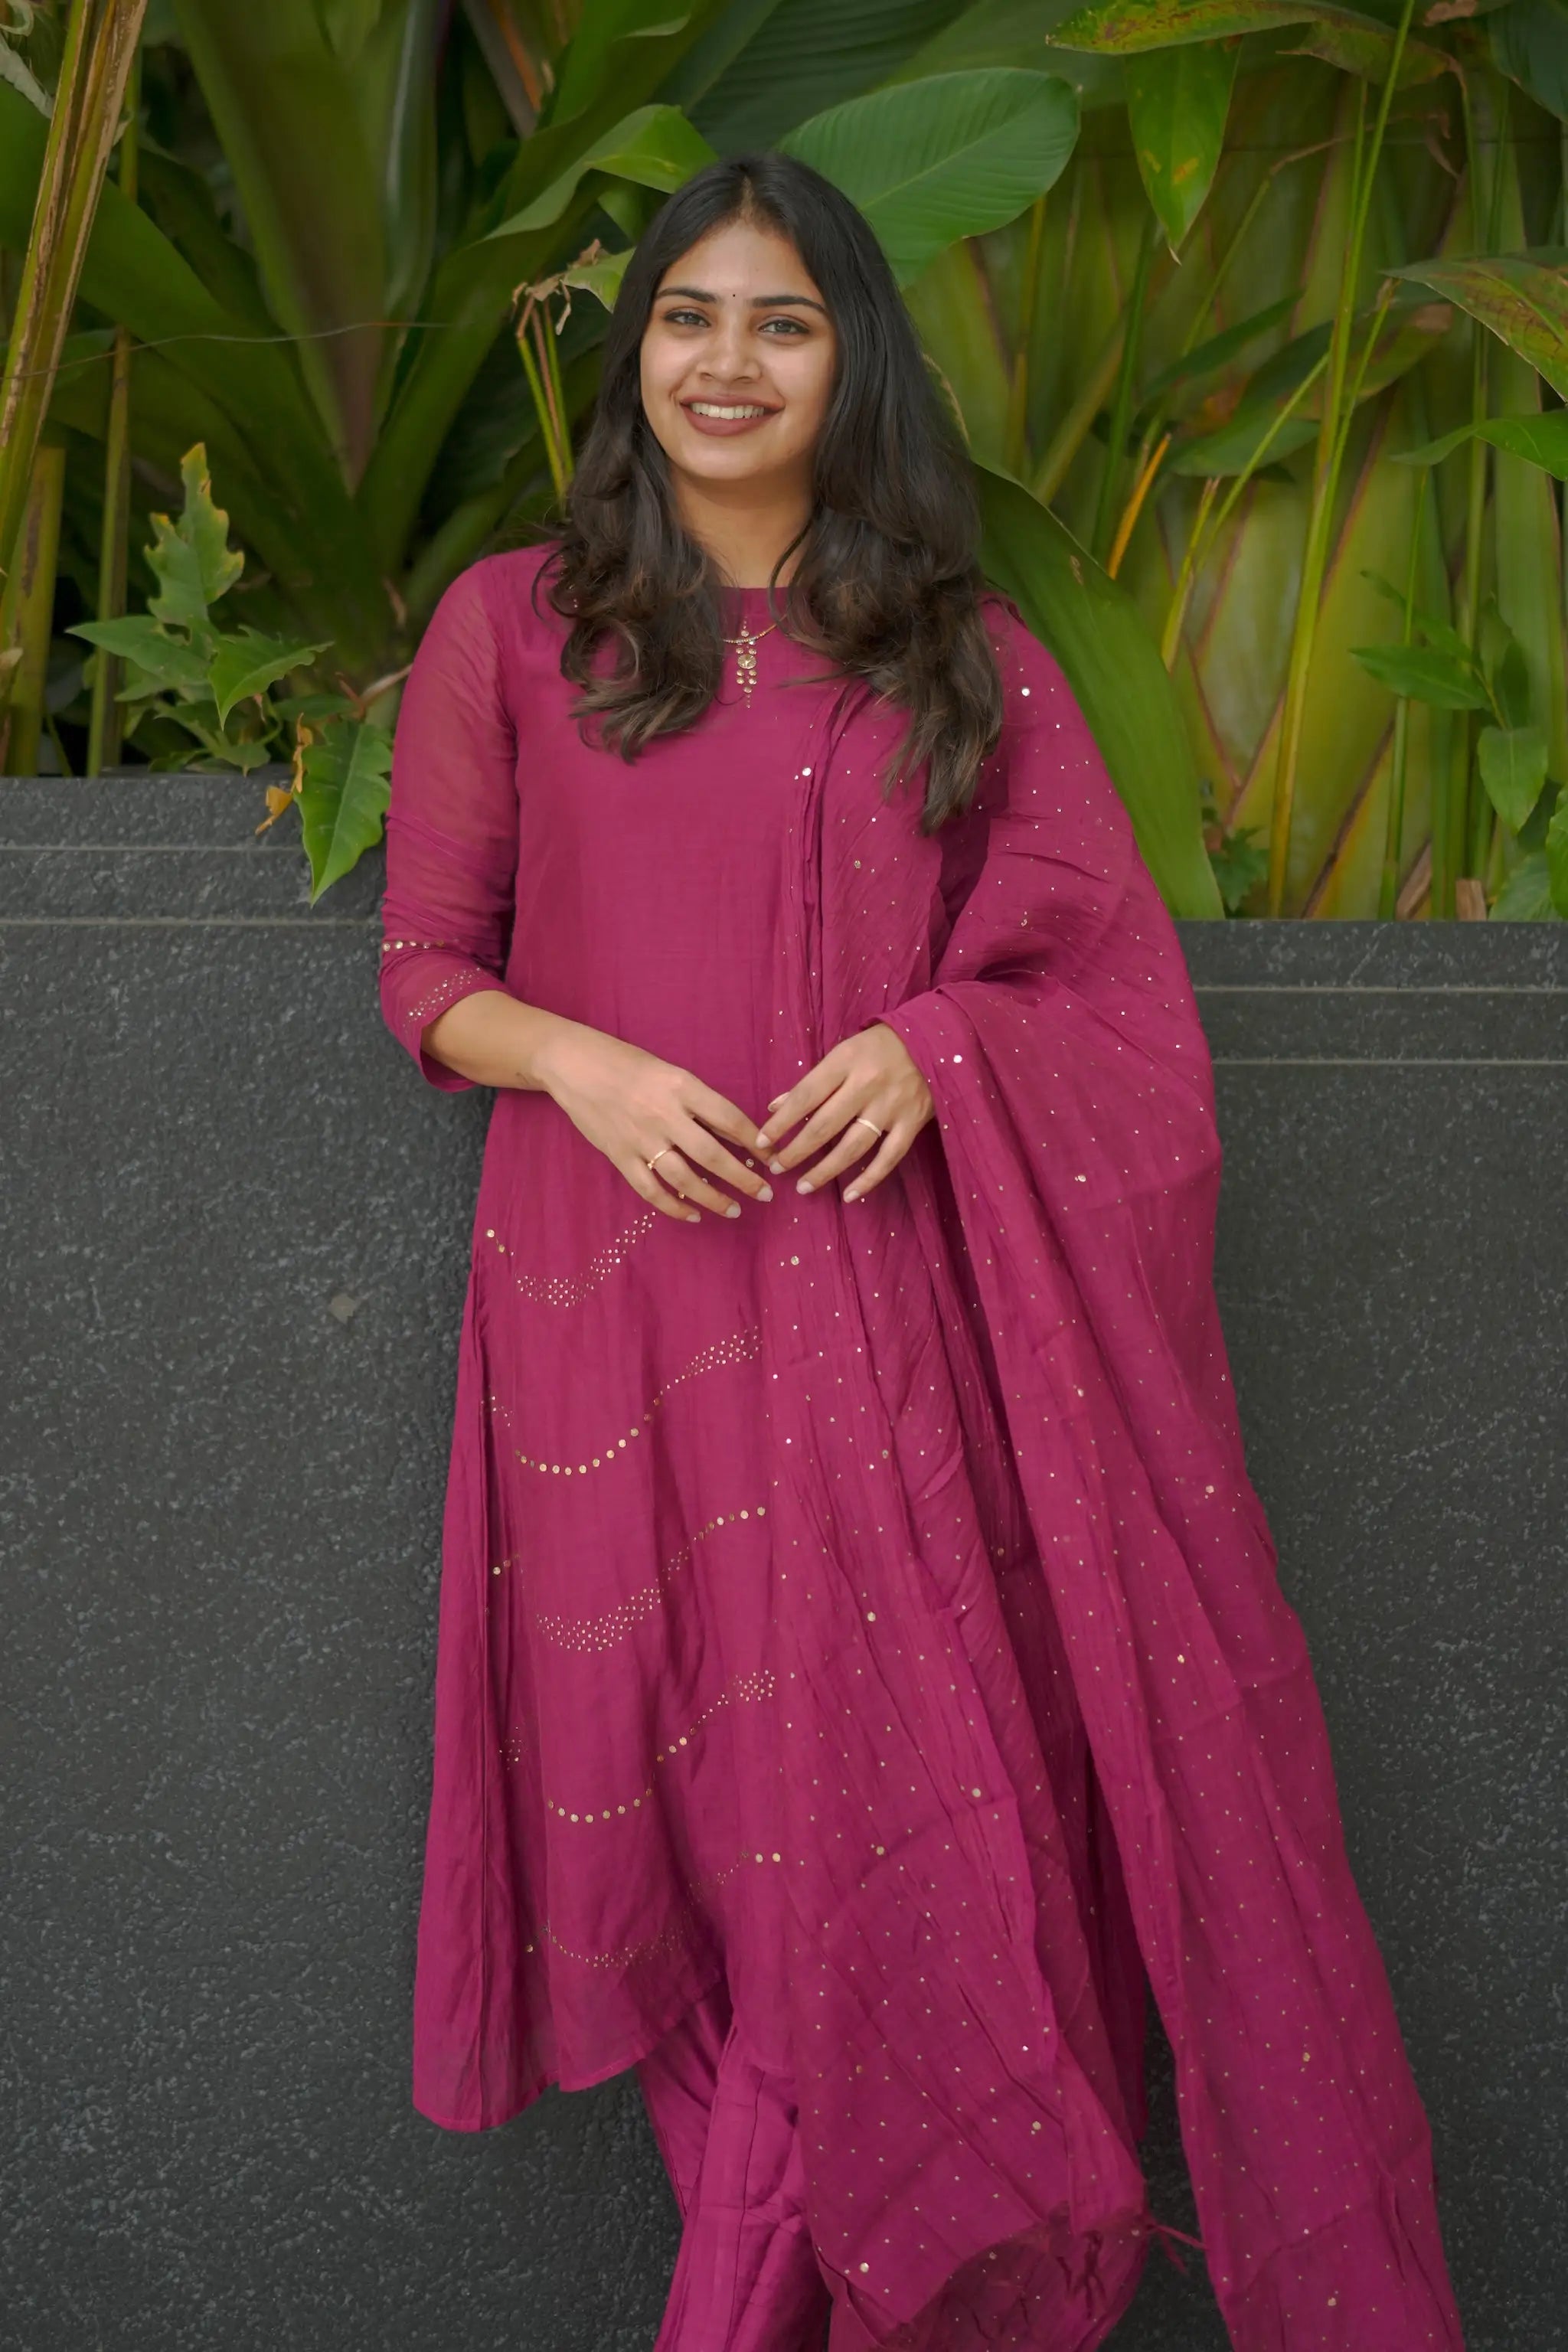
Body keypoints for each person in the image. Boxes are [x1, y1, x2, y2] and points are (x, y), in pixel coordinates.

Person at [377, 152, 1464, 2352]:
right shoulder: (514, 626)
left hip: (869, 1340)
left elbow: (1107, 1000)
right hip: (604, 1324)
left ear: (849, 361)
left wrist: (938, 1042)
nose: (726, 362)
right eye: (688, 317)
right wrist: (582, 1067)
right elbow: (424, 970)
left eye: (780, 322)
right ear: (635, 355)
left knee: (840, 1888)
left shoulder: (956, 657)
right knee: (700, 1882)